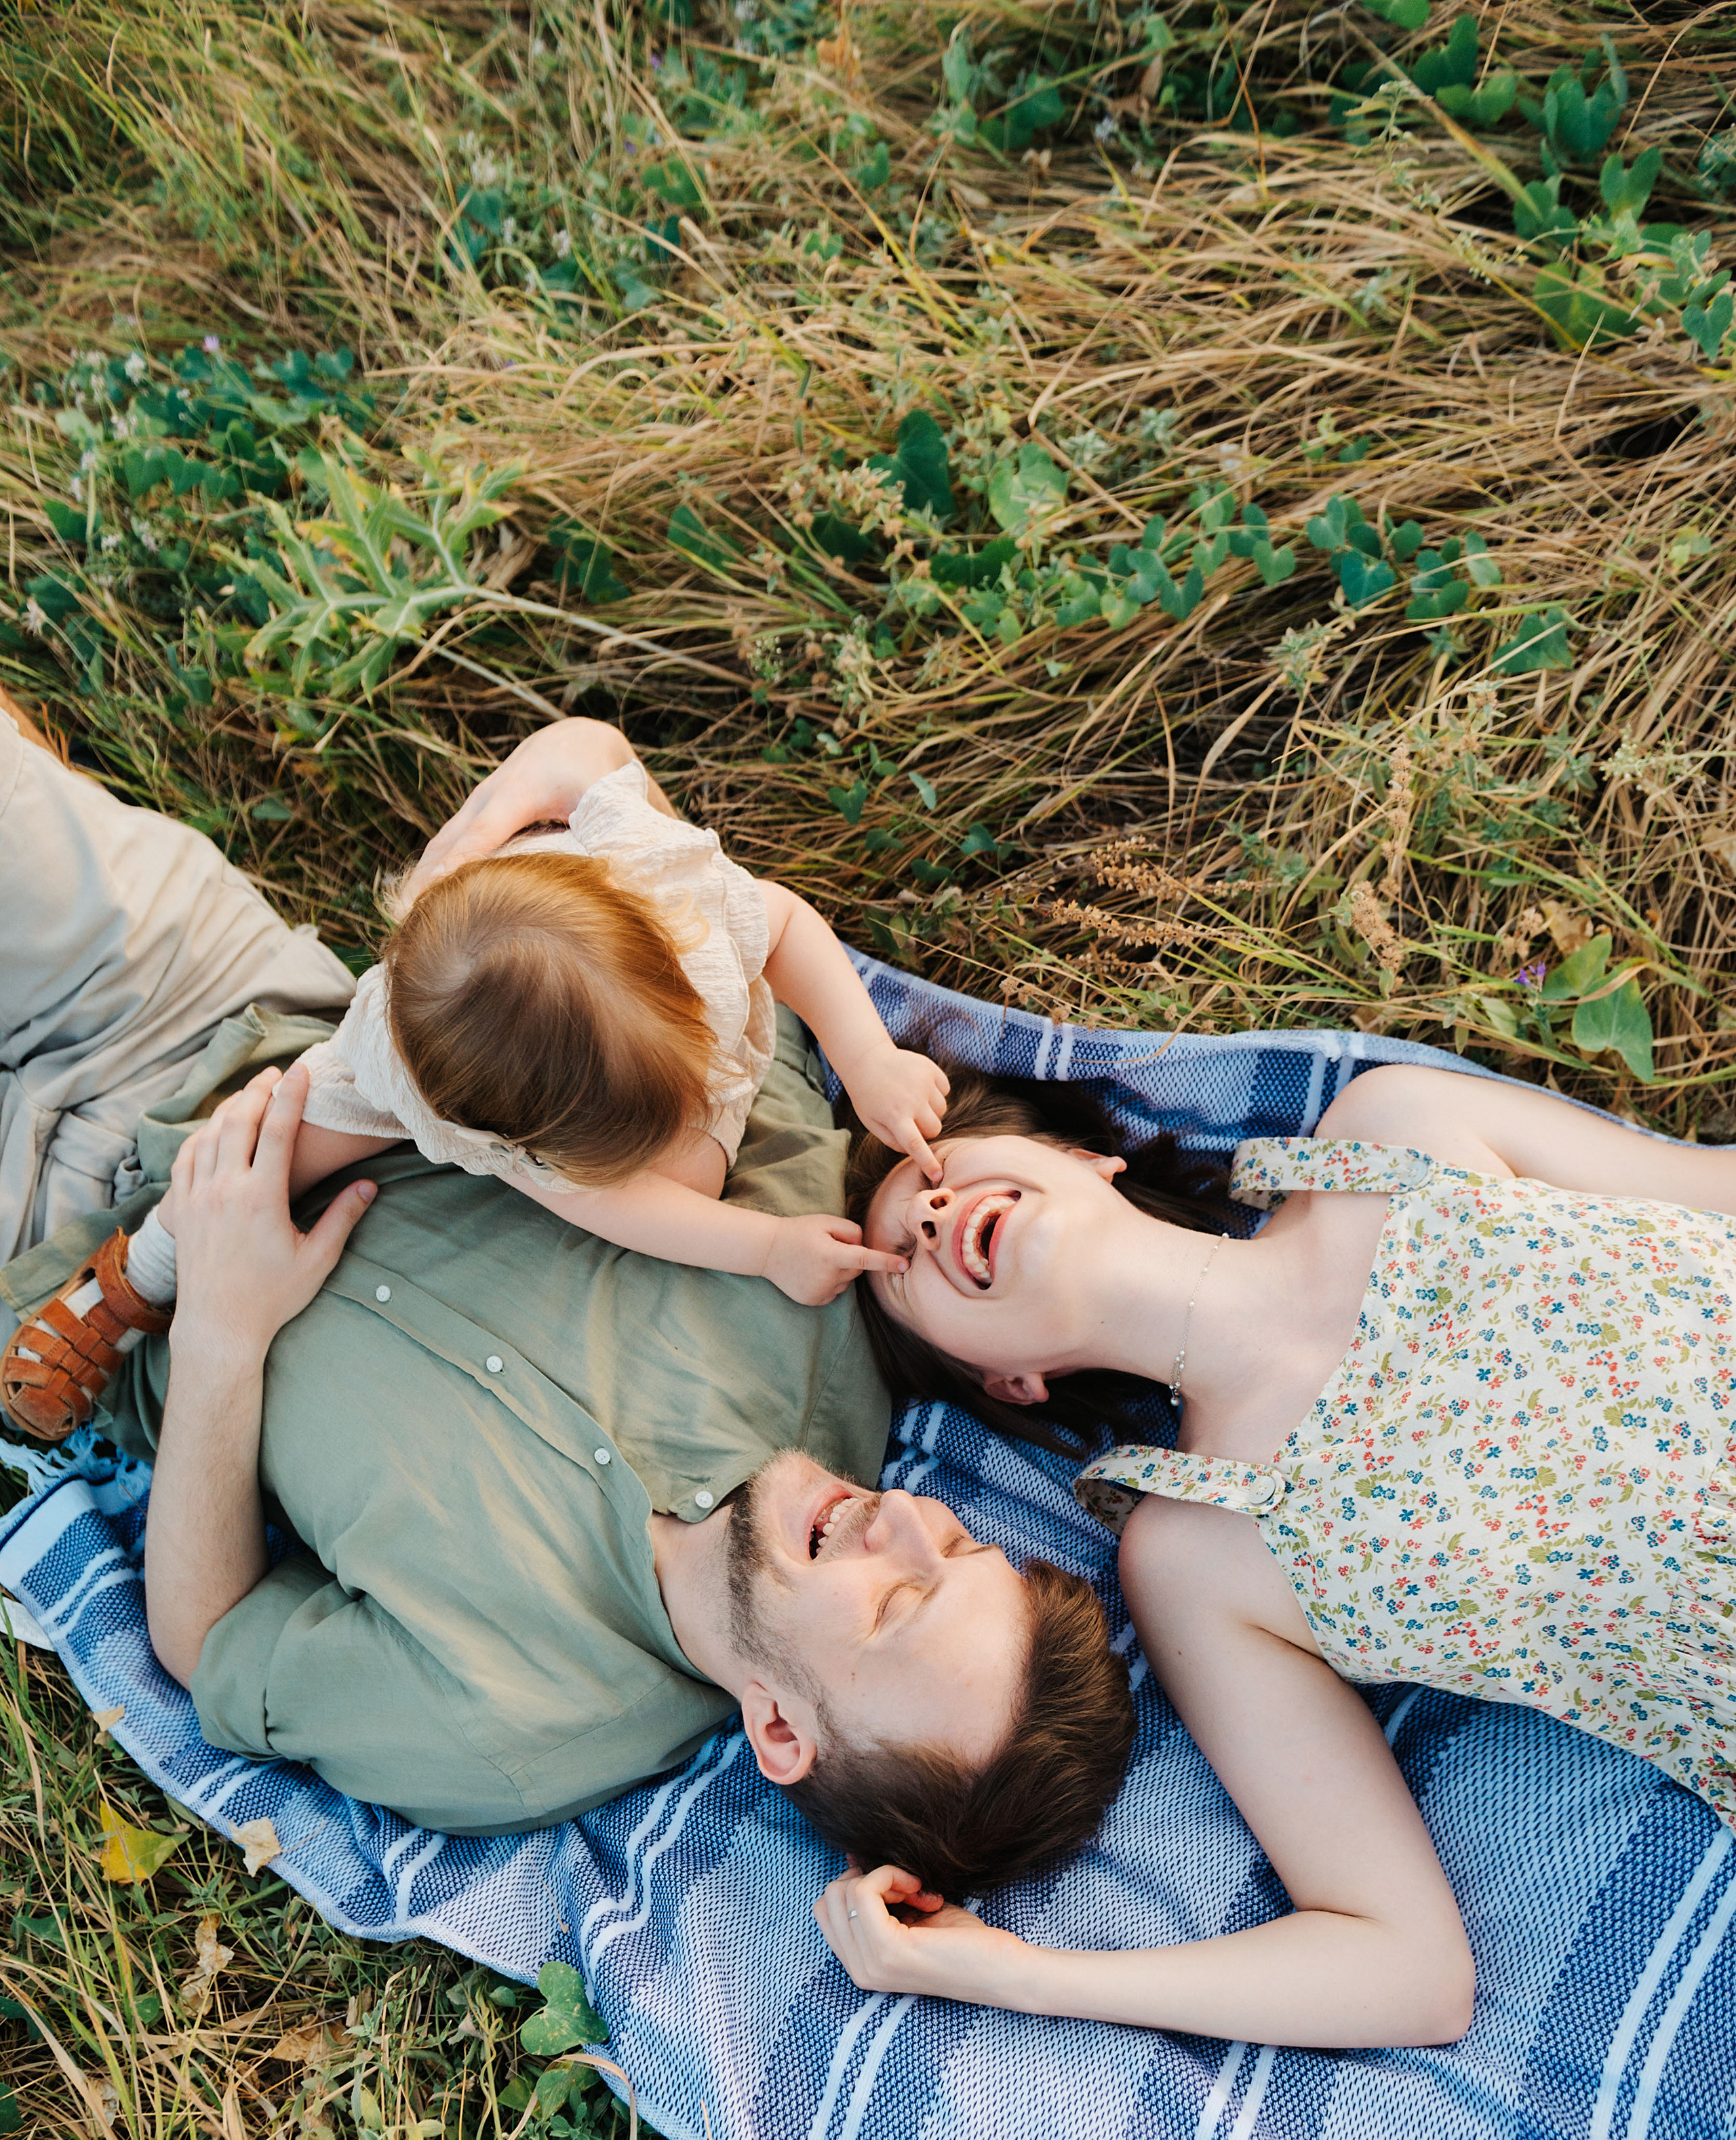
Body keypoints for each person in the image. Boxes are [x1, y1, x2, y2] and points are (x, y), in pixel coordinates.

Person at [0, 695, 1132, 1890]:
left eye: (897, 1603)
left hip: (42, 1259)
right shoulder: (814, 1301)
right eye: (951, 1543)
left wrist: (227, 1332)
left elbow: (211, 1640)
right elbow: (689, 955)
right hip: (228, 1016)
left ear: (783, 1732)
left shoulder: (513, 1734)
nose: (897, 1518)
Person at [813, 1056, 1736, 2050]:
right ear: (1009, 1383)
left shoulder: (1391, 1132)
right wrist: (1014, 1974)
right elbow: (1407, 1973)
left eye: (935, 1168)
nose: (932, 1213)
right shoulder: (1198, 1554)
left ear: (1088, 1161)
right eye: (902, 1263)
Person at [2, 721, 946, 1442]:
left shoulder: (674, 897)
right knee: (269, 1139)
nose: (702, 1099)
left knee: (689, 1149)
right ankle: (136, 1274)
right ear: (513, 1142)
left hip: (521, 944)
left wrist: (867, 1058)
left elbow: (779, 923)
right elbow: (620, 1207)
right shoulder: (440, 1092)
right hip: (414, 1047)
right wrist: (766, 1246)